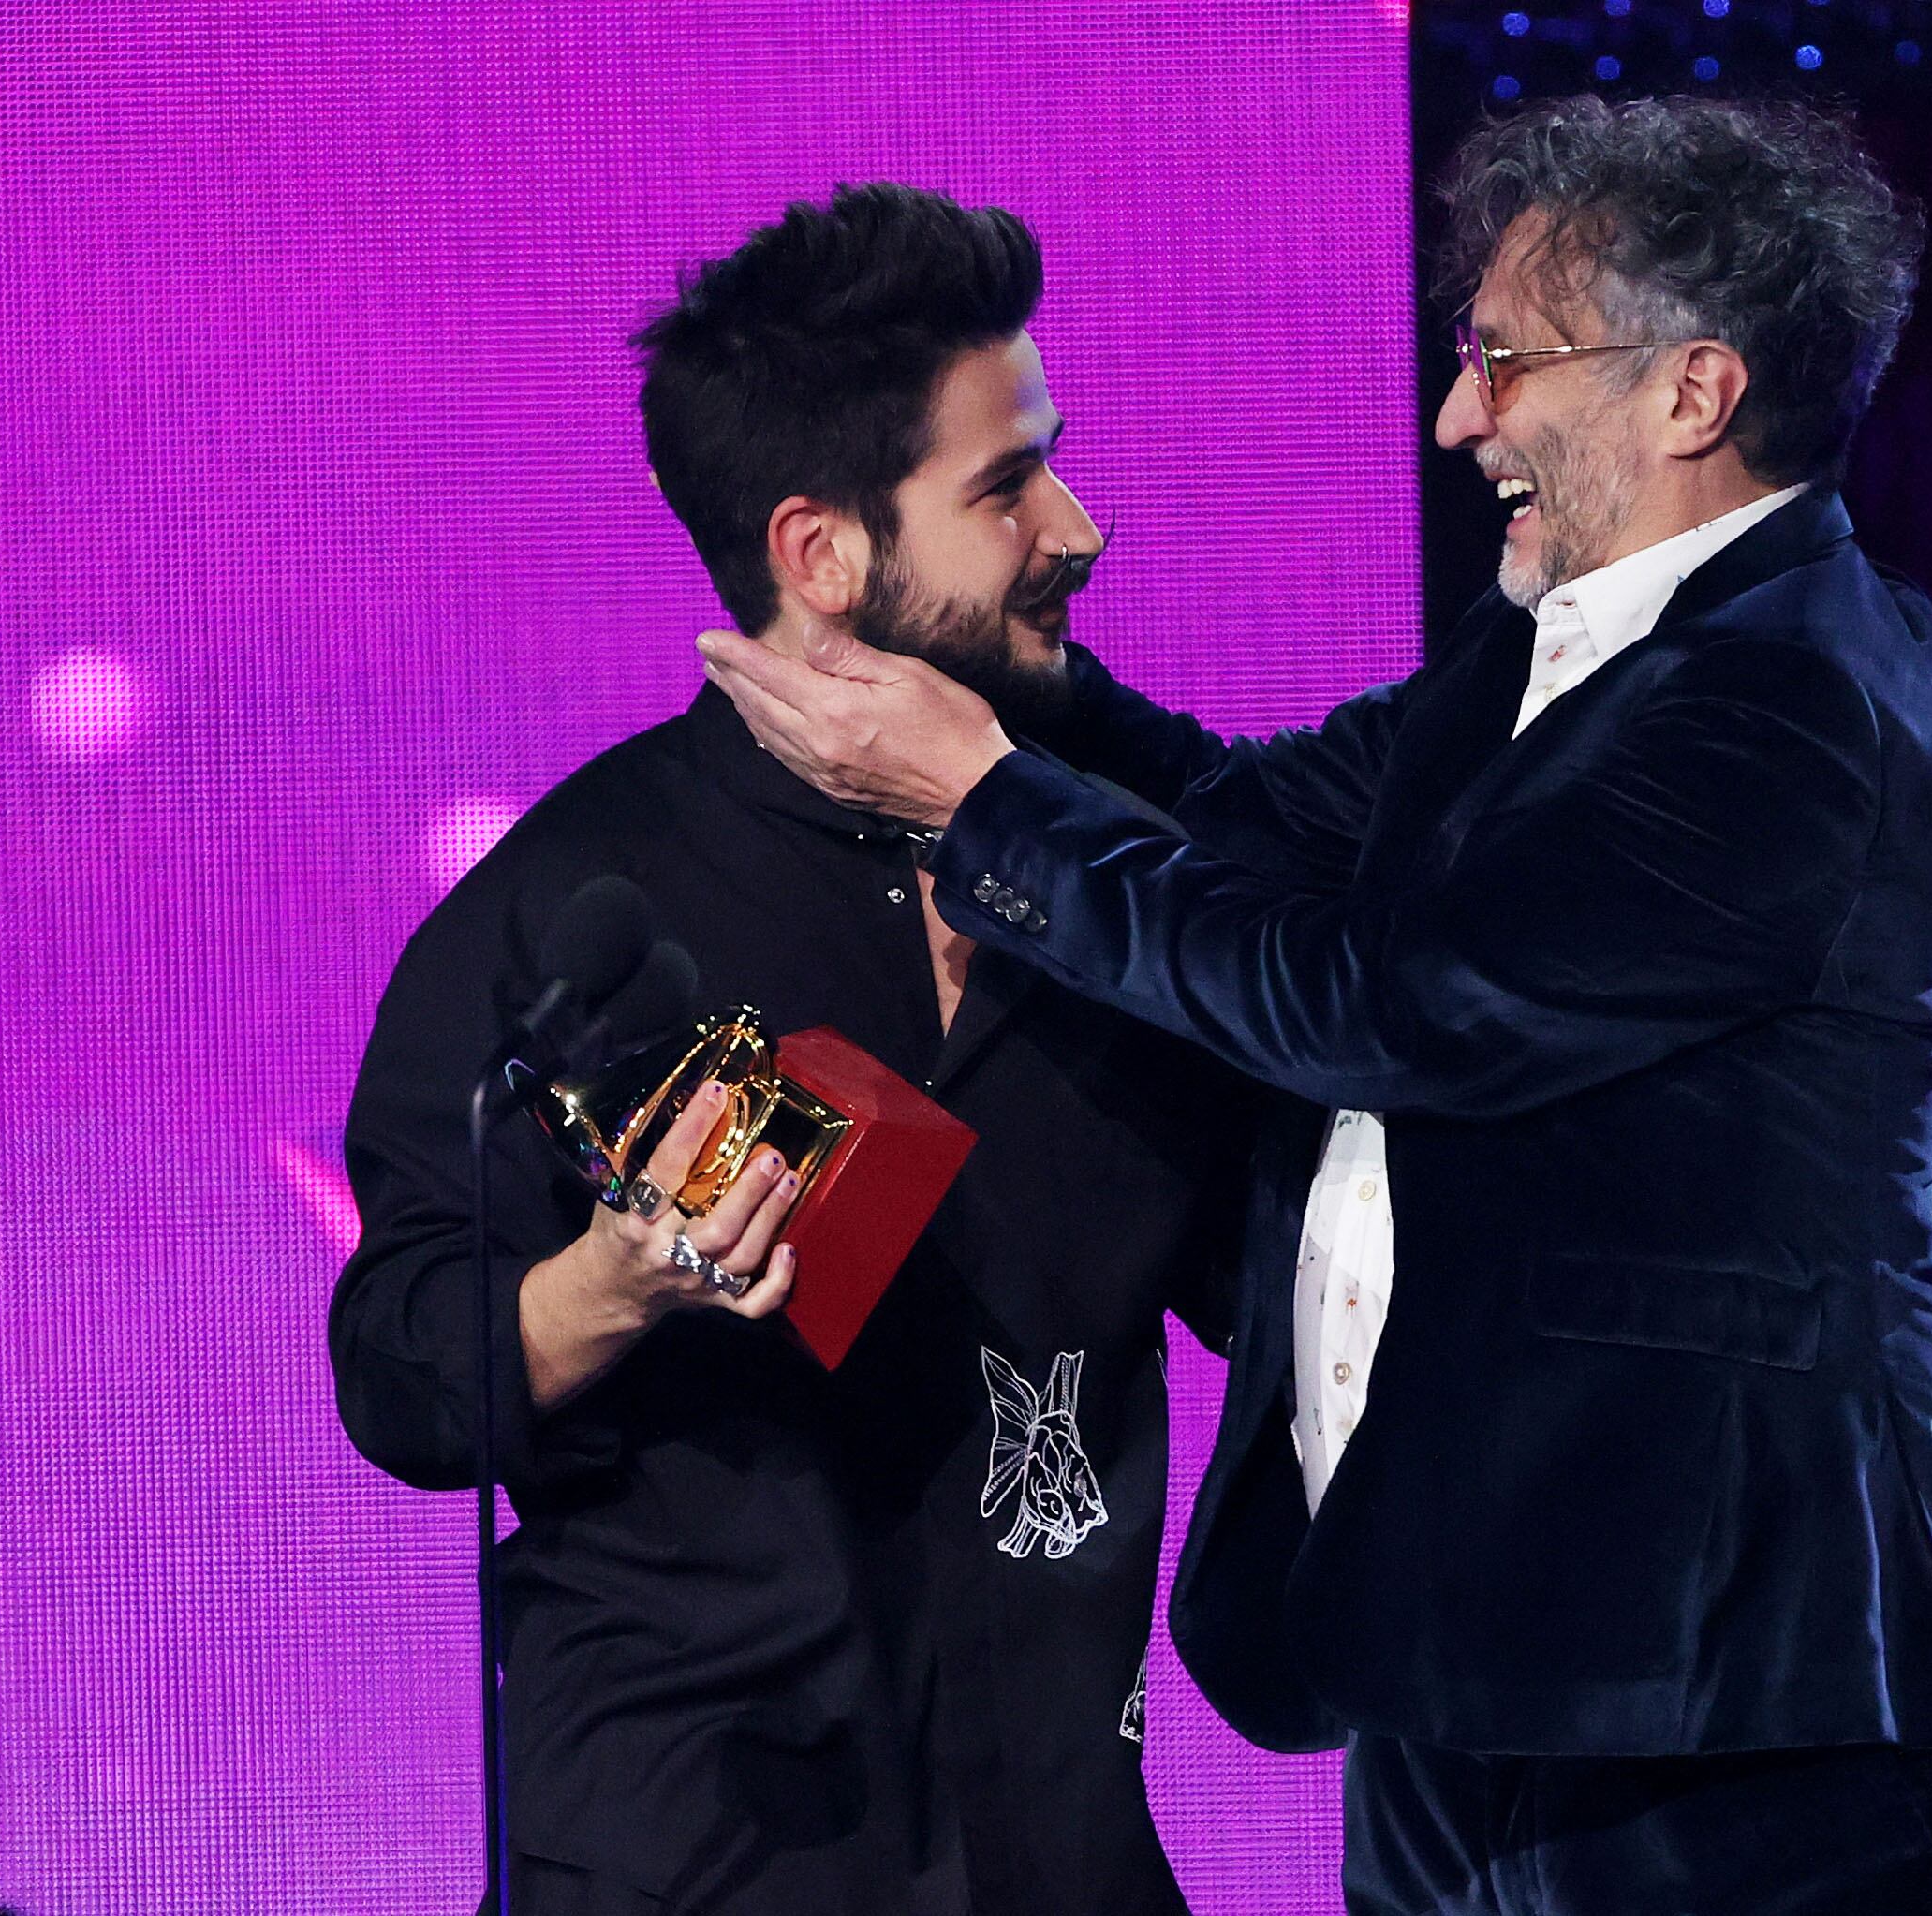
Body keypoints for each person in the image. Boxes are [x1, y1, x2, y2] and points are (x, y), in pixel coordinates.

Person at [700, 98, 1932, 1915]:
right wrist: (1003, 672)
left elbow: (1394, 1008)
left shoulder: (1793, 699)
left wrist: (983, 803)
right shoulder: (1556, 648)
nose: (1454, 417)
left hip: (1724, 1692)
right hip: (1468, 1666)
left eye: (1498, 360)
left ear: (1689, 395)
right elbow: (1255, 824)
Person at [331, 184, 1255, 1916]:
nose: (1080, 523)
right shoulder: (573, 908)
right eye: (1004, 485)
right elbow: (394, 1367)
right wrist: (606, 1286)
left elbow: (1285, 1274)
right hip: (707, 1848)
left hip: (1061, 1836)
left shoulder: (1129, 881)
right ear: (822, 551)